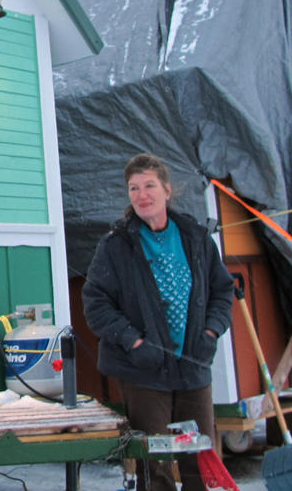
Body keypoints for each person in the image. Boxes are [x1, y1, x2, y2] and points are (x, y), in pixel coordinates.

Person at [83, 153, 234, 491]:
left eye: (149, 185)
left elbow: (223, 292)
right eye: (134, 187)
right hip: (144, 370)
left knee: (199, 456)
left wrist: (210, 332)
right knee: (156, 465)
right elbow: (96, 303)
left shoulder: (196, 239)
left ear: (167, 191)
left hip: (193, 365)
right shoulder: (115, 246)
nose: (141, 194)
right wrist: (134, 342)